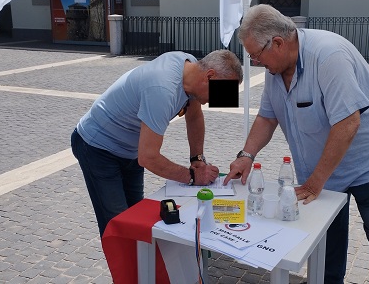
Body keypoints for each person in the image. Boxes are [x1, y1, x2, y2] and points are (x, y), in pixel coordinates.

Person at [224, 4, 369, 284]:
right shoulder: (276, 71)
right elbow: (266, 117)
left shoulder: (328, 56)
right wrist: (246, 155)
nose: (256, 63)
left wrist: (314, 182)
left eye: (256, 56)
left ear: (278, 42)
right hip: (325, 170)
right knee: (326, 237)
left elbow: (348, 123)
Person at [71, 49, 243, 237]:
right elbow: (148, 157)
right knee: (118, 226)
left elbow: (194, 117)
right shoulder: (162, 90)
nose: (216, 101)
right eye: (221, 92)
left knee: (135, 217)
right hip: (97, 147)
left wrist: (197, 159)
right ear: (209, 76)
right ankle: (127, 265)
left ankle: (138, 265)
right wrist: (193, 176)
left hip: (129, 151)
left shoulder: (190, 67)